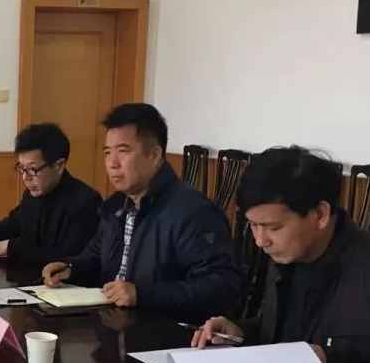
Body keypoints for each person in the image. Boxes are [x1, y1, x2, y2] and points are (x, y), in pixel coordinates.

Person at [192, 146, 370, 363]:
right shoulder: (287, 256)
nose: (261, 241)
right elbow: (281, 332)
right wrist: (239, 334)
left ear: (320, 215)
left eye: (274, 227)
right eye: (253, 225)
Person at [42, 103, 240, 322]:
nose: (112, 163)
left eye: (123, 151)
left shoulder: (193, 211)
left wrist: (142, 294)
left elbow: (220, 289)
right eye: (107, 152)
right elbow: (96, 257)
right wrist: (71, 268)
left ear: (154, 155)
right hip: (114, 326)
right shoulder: (116, 206)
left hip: (162, 333)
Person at [0, 123, 102, 264]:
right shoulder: (32, 194)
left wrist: (9, 247)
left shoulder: (86, 202)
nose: (25, 177)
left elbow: (68, 258)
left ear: (59, 166)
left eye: (32, 169)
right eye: (22, 168)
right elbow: (13, 223)